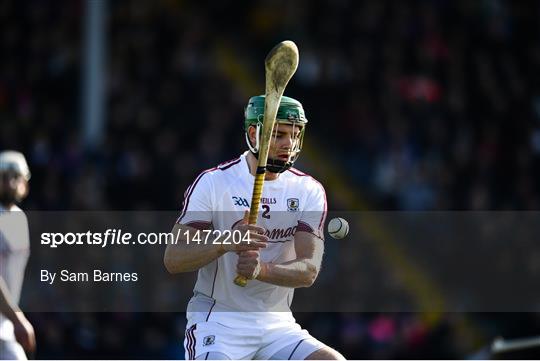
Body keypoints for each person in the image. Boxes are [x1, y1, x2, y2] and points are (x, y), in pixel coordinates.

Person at [164, 96, 344, 360]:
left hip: (278, 325)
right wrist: (226, 242)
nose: (289, 144)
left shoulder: (308, 190)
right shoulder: (214, 183)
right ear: (253, 133)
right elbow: (173, 259)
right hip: (219, 321)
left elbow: (308, 270)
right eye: (279, 135)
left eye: (295, 135)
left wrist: (261, 270)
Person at [0, 151, 35, 360]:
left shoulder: (19, 218)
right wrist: (17, 318)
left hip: (5, 326)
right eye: (4, 176)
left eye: (16, 176)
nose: (11, 182)